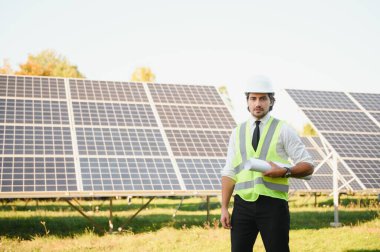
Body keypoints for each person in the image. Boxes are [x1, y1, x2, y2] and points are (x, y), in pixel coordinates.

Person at [220, 76, 314, 252]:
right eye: (253, 98)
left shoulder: (283, 129)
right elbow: (229, 171)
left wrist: (285, 171)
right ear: (247, 101)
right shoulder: (237, 132)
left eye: (263, 98)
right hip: (242, 206)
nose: (258, 103)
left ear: (271, 101)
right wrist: (224, 207)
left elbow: (308, 167)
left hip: (273, 206)